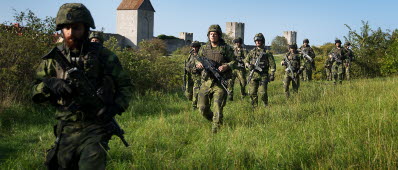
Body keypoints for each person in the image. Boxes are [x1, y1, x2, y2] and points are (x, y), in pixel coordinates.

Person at [31, 3, 133, 169]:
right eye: (66, 28)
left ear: (86, 29)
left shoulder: (104, 56)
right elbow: (35, 92)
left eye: (76, 28)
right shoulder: (53, 59)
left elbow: (126, 86)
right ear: (61, 30)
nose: (71, 33)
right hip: (66, 128)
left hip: (95, 127)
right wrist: (50, 84)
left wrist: (115, 107)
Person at [196, 24, 235, 133]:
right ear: (208, 35)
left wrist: (226, 66)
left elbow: (235, 61)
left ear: (219, 35)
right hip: (206, 82)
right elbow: (197, 59)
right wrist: (198, 63)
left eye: (215, 34)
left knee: (217, 107)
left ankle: (216, 130)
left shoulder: (225, 48)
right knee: (202, 108)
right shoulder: (204, 48)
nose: (213, 36)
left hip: (220, 83)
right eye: (211, 34)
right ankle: (216, 120)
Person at [244, 33, 276, 107]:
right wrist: (249, 65)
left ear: (262, 41)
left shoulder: (267, 52)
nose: (258, 42)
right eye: (256, 40)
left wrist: (272, 74)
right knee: (252, 92)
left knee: (263, 92)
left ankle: (265, 104)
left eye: (259, 40)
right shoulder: (252, 52)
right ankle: (255, 107)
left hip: (263, 75)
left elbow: (272, 64)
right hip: (253, 75)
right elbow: (245, 61)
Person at [184, 41, 202, 109]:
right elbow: (189, 64)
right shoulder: (191, 55)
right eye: (192, 47)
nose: (193, 48)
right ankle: (193, 101)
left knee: (196, 91)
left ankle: (195, 106)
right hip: (190, 76)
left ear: (198, 48)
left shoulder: (200, 55)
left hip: (197, 76)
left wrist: (196, 68)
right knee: (188, 91)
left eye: (195, 47)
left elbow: (202, 66)